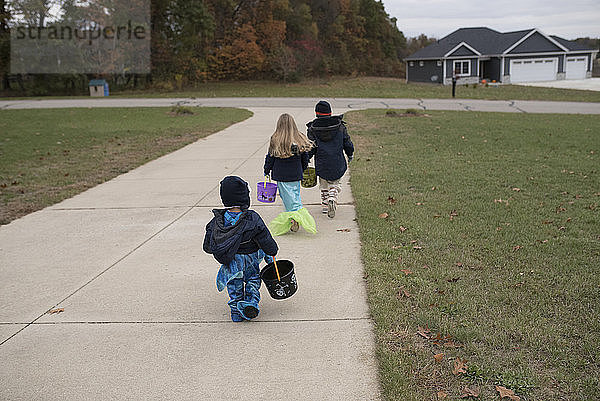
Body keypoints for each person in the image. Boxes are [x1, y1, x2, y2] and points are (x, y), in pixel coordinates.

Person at [203, 176, 278, 322]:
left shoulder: (218, 220)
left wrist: (210, 248)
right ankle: (251, 303)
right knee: (253, 280)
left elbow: (208, 242)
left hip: (231, 261)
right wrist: (272, 251)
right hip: (250, 258)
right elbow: (264, 238)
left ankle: (236, 312)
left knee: (234, 283)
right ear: (245, 197)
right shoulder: (252, 218)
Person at [263, 113, 317, 235]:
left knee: (288, 198)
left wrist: (267, 170)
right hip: (295, 174)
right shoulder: (299, 138)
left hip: (281, 175)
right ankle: (294, 217)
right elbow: (305, 158)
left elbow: (270, 157)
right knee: (294, 196)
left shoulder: (276, 139)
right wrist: (303, 169)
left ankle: (294, 218)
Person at [306, 100, 354, 218]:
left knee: (323, 185)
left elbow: (311, 147)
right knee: (336, 182)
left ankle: (325, 205)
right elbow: (347, 142)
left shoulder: (313, 129)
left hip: (322, 162)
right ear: (330, 112)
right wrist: (350, 153)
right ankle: (333, 196)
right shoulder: (340, 127)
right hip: (337, 161)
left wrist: (306, 158)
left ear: (316, 113)